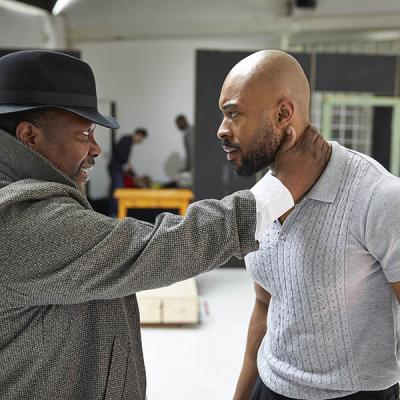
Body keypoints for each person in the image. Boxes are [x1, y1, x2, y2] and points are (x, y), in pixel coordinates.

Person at [0, 50, 328, 400]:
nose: (96, 148)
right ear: (29, 137)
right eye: (85, 134)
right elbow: (155, 248)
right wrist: (275, 194)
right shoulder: (17, 218)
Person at [219, 50, 400, 400]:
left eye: (233, 113)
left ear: (283, 114)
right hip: (269, 386)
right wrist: (242, 394)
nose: (222, 130)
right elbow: (264, 304)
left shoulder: (379, 196)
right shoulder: (262, 199)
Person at [108, 127, 147, 216]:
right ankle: (113, 214)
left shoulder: (128, 141)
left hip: (117, 168)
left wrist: (127, 165)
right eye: (141, 139)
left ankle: (114, 213)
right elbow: (120, 153)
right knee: (118, 191)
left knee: (117, 190)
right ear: (139, 135)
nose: (140, 141)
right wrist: (127, 163)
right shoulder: (126, 139)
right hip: (115, 168)